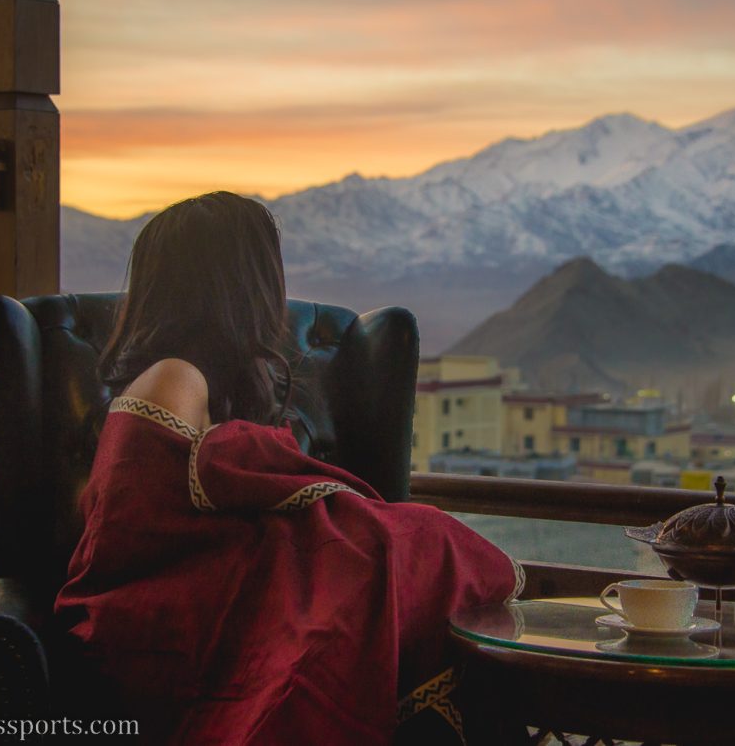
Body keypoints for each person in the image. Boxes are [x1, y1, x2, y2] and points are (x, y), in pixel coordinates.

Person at [54, 192, 522, 745]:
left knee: (392, 548)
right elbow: (144, 524)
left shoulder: (211, 382)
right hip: (147, 622)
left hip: (207, 606)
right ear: (237, 284)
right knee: (392, 546)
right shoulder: (172, 376)